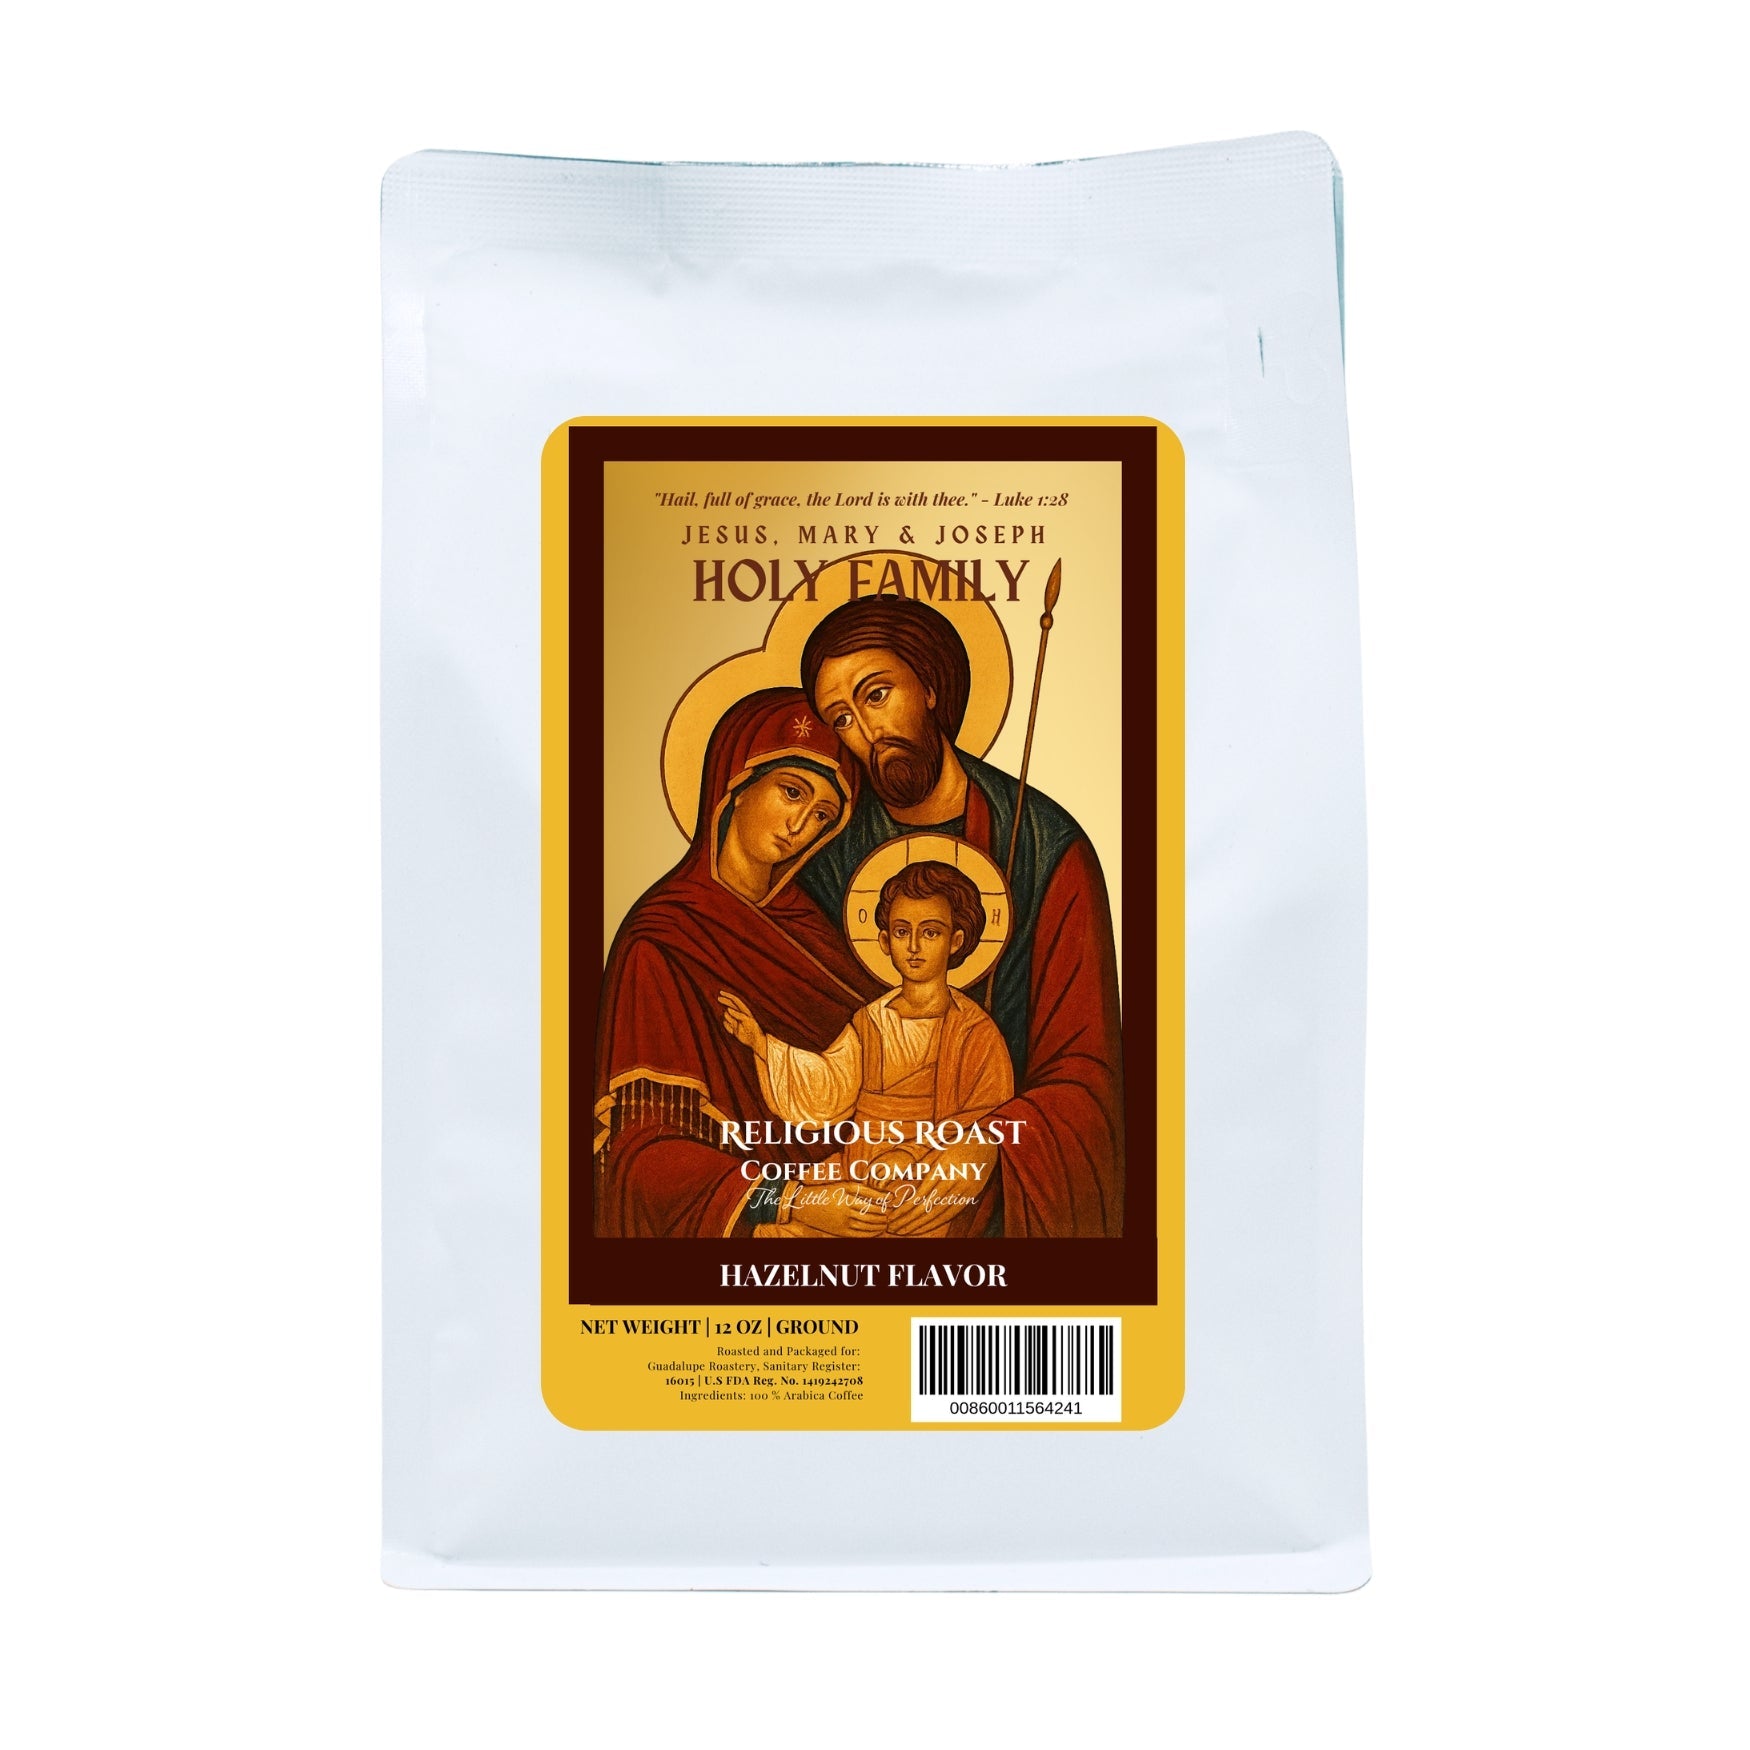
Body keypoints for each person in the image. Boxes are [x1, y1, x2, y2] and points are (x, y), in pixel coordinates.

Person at [796, 595, 1125, 1237]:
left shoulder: (1045, 847)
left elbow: (1087, 1075)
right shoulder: (826, 859)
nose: (867, 731)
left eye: (877, 694)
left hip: (996, 1205)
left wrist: (990, 1143)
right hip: (858, 1189)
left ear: (929, 685)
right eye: (842, 718)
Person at [593, 688, 886, 1238]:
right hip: (749, 1225)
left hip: (860, 1194)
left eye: (822, 814)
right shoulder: (661, 940)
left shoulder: (818, 935)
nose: (801, 824)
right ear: (735, 784)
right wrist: (789, 1200)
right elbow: (643, 1157)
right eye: (792, 792)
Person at [717, 860, 1014, 1238]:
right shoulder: (870, 1021)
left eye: (931, 932)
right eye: (902, 931)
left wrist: (911, 1157)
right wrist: (761, 1044)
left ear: (955, 941)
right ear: (885, 941)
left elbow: (987, 1125)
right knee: (774, 1231)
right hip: (855, 1172)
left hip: (924, 1187)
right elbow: (828, 1087)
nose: (914, 946)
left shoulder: (975, 1032)